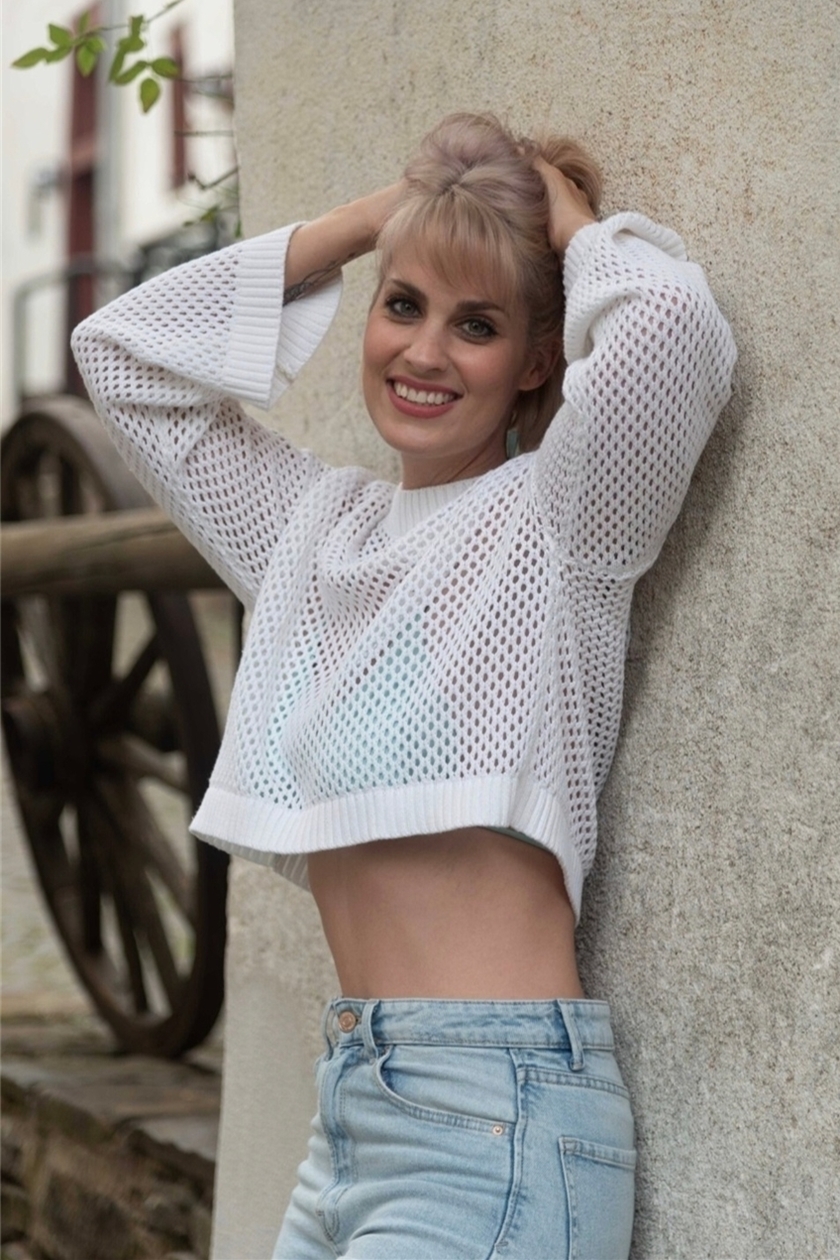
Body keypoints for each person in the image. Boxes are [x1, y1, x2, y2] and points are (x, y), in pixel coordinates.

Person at [72, 112, 736, 1259]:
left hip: (498, 1112)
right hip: (355, 1109)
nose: (425, 353)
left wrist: (562, 218)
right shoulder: (314, 534)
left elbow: (671, 326)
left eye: (477, 325)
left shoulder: (560, 519)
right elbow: (121, 357)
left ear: (536, 362)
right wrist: (386, 214)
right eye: (403, 304)